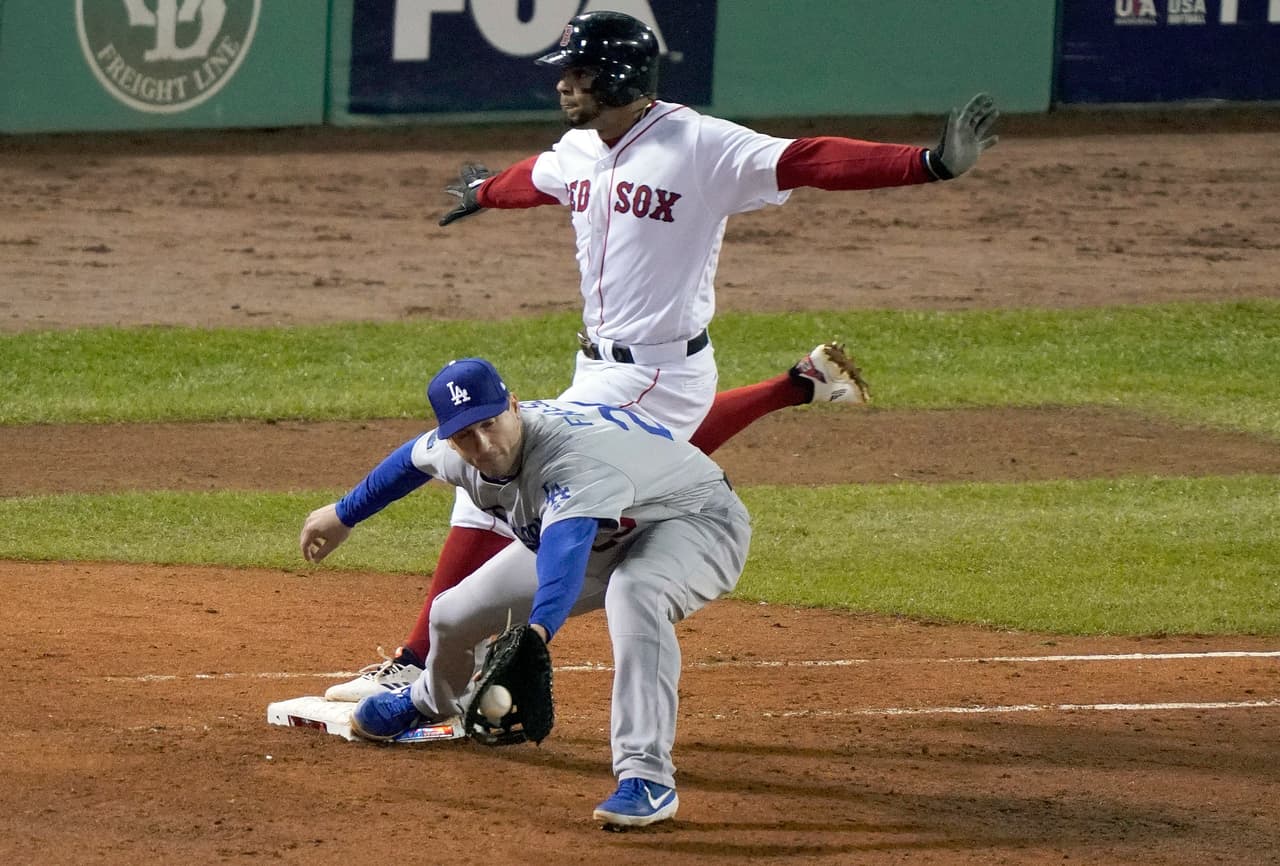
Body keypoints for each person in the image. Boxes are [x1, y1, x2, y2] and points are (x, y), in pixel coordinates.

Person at [322, 9, 998, 702]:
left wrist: (926, 163)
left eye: (578, 72)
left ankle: (423, 658)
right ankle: (794, 388)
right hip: (598, 366)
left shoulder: (699, 145)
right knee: (505, 474)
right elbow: (544, 175)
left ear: (618, 74)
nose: (565, 84)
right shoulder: (583, 146)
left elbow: (808, 159)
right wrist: (485, 192)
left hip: (659, 375)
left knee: (497, 479)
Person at [300, 356, 753, 827]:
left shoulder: (569, 458)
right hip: (607, 532)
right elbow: (408, 461)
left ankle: (648, 778)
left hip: (695, 521)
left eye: (489, 424)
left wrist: (536, 634)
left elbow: (565, 551)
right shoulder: (459, 446)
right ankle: (431, 702)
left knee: (635, 592)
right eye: (463, 436)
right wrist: (343, 513)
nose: (481, 444)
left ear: (513, 405)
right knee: (452, 614)